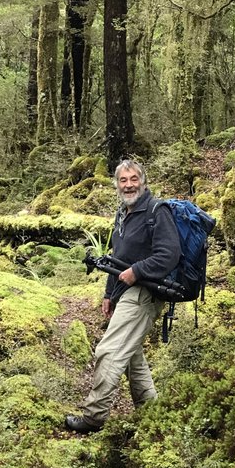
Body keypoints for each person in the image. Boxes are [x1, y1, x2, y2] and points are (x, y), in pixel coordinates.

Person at [64, 161, 181, 434]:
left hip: (147, 292)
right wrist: (109, 294)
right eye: (123, 180)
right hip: (126, 291)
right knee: (132, 356)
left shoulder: (156, 211)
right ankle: (152, 411)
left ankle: (94, 418)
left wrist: (137, 271)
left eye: (133, 179)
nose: (128, 184)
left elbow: (169, 255)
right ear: (116, 184)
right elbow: (118, 259)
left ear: (143, 181)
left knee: (109, 350)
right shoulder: (124, 214)